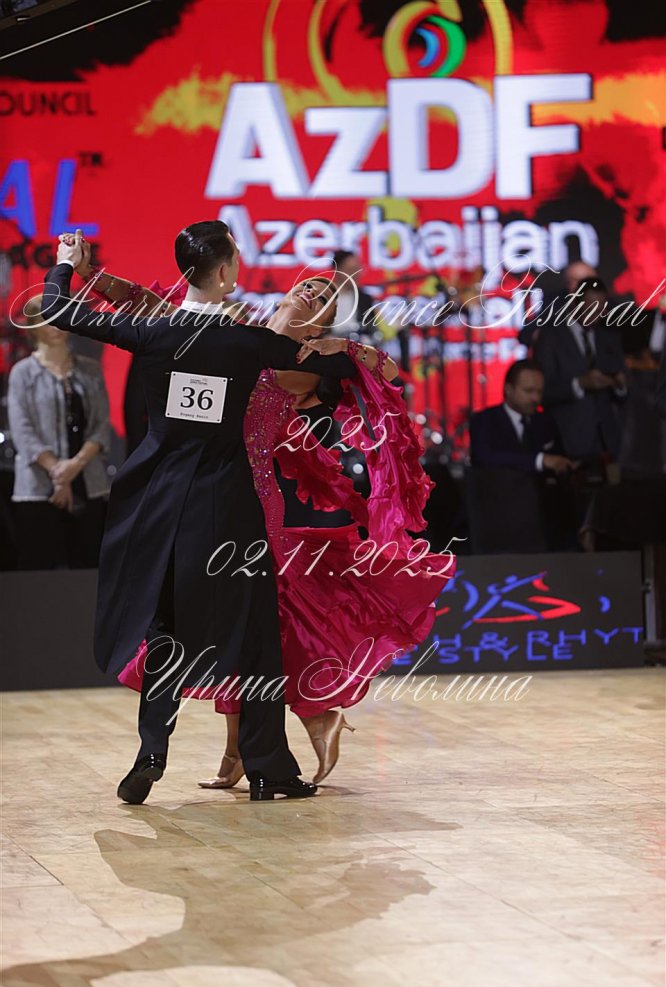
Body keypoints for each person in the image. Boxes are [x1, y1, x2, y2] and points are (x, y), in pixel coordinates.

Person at [74, 250, 454, 786]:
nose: (313, 293)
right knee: (244, 624)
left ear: (323, 322)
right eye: (311, 285)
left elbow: (387, 373)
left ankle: (261, 741)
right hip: (197, 496)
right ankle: (271, 737)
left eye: (325, 300)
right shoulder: (237, 329)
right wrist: (90, 275)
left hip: (249, 501)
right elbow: (152, 306)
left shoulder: (300, 365)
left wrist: (345, 346)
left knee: (249, 625)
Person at [37, 223, 361, 806]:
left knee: (165, 631)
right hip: (229, 506)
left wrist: (65, 261)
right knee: (254, 634)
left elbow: (58, 309)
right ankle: (267, 768)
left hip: (163, 505)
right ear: (226, 272)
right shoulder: (246, 343)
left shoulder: (153, 333)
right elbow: (335, 368)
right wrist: (357, 355)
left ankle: (151, 753)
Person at [8, 295, 110, 569]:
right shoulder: (22, 373)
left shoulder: (90, 369)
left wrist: (74, 466)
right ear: (33, 326)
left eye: (59, 318)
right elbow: (22, 430)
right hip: (38, 486)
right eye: (46, 320)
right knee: (38, 568)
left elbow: (101, 425)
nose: (55, 326)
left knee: (88, 566)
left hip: (88, 480)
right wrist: (58, 473)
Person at [534, 278, 627, 466]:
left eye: (601, 307)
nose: (597, 313)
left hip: (607, 442)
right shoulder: (551, 338)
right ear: (575, 303)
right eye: (591, 306)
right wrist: (579, 384)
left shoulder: (608, 338)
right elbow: (542, 391)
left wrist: (620, 385)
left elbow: (623, 391)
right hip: (567, 441)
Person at [470, 360, 573, 476]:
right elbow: (484, 459)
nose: (535, 398)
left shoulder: (545, 421)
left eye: (539, 392)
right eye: (528, 391)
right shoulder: (484, 420)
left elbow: (559, 460)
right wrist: (540, 460)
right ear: (508, 389)